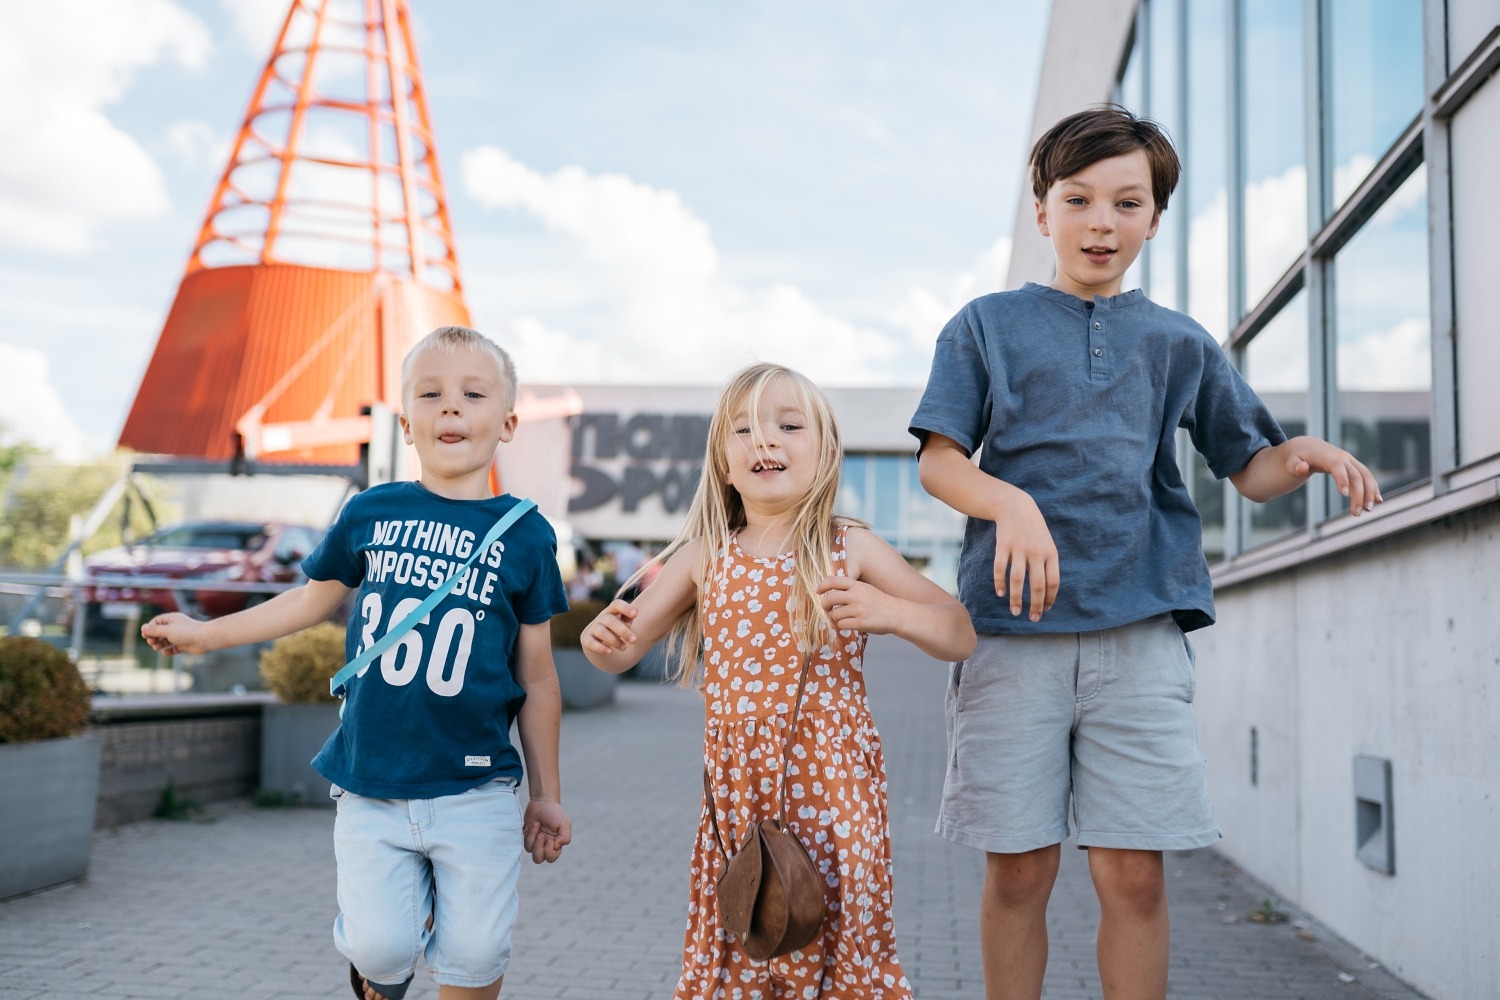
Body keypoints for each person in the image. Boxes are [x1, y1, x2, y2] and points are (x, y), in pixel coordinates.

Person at [909, 104, 1383, 1000]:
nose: (1102, 222)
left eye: (1128, 203)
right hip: (1012, 636)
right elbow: (939, 462)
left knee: (1134, 875)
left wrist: (1306, 454)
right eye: (1079, 199)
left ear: (1155, 219)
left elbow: (1250, 468)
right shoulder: (985, 325)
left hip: (1142, 636)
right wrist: (1009, 502)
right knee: (1019, 875)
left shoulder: (1179, 341)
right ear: (1041, 209)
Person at [142, 326, 572, 1000]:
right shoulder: (371, 511)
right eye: (430, 394)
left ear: (509, 422)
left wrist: (546, 793)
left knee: (477, 952)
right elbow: (310, 601)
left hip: (476, 786)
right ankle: (384, 955)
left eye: (472, 394)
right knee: (382, 945)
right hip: (371, 778)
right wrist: (206, 635)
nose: (450, 407)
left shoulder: (526, 534)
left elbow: (539, 677)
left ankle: (441, 940)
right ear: (407, 421)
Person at [582, 362, 976, 1000]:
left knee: (835, 931)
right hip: (739, 799)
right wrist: (600, 643)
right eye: (743, 430)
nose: (764, 440)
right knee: (751, 936)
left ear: (823, 454)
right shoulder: (706, 552)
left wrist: (892, 614)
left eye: (788, 425)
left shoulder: (850, 547)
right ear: (724, 464)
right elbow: (623, 651)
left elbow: (957, 630)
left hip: (833, 791)